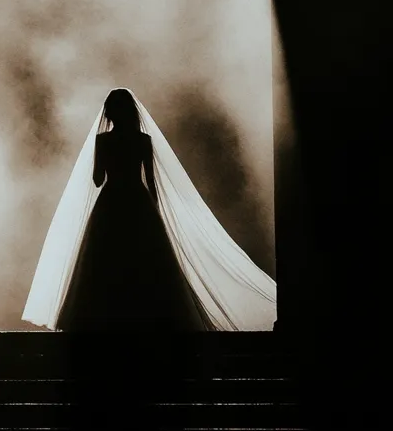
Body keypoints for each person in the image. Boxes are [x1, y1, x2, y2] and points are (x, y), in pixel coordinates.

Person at [22, 88, 276, 333]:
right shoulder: (143, 140)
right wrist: (155, 212)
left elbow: (98, 180)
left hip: (111, 203)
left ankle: (105, 317)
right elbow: (151, 181)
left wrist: (105, 163)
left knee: (106, 258)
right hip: (137, 201)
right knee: (145, 257)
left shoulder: (103, 141)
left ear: (109, 113)